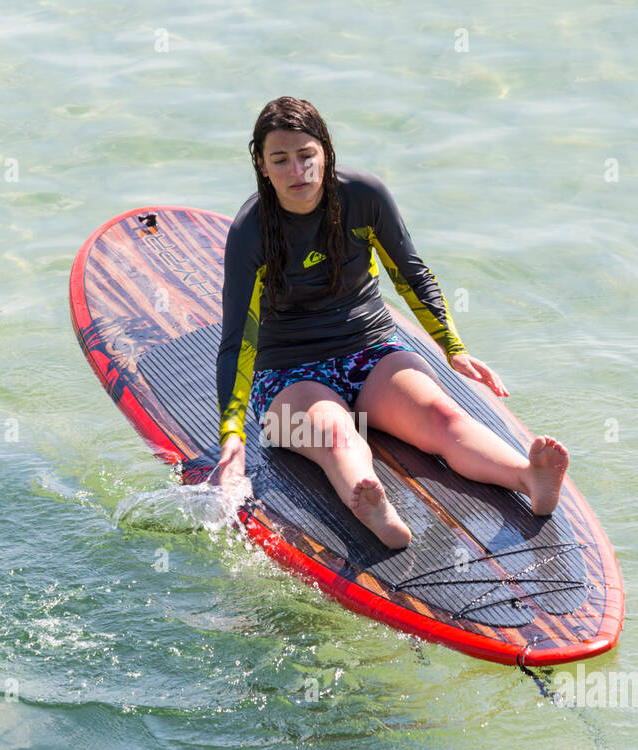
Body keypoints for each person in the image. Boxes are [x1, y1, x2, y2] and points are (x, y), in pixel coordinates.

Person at [213, 96, 568, 549]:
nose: (297, 170)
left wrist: (452, 347)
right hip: (287, 377)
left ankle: (528, 478)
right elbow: (237, 341)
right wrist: (232, 434)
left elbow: (410, 274)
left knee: (442, 417)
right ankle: (373, 504)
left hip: (373, 352)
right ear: (262, 165)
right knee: (336, 434)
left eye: (307, 155)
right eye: (280, 160)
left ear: (326, 151)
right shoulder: (252, 230)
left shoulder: (364, 197)